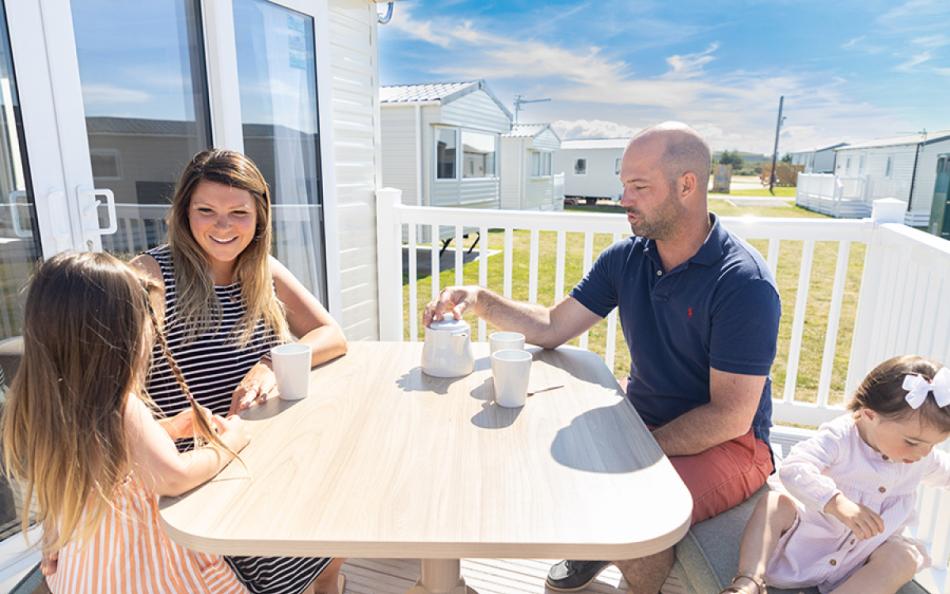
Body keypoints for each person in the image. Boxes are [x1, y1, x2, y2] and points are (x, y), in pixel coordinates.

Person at [424, 122, 781, 593]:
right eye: (623, 186)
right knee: (547, 453)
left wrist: (634, 449)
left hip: (732, 445)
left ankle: (638, 581)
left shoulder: (743, 282)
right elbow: (553, 326)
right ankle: (596, 542)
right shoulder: (626, 259)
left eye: (639, 187)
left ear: (687, 186)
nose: (624, 199)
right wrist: (482, 300)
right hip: (641, 420)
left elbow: (731, 417)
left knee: (634, 506)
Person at [131, 149, 349, 594]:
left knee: (339, 493)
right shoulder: (152, 276)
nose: (224, 226)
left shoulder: (262, 268)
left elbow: (332, 335)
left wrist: (270, 362)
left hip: (268, 446)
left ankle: (329, 583)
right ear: (184, 213)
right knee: (280, 547)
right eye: (206, 210)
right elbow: (123, 394)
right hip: (198, 463)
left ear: (260, 217)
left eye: (239, 213)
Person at [2, 251, 251, 593]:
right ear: (118, 335)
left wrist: (171, 428)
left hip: (86, 562)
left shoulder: (46, 401)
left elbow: (105, 456)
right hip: (144, 568)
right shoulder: (121, 407)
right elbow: (173, 477)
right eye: (146, 316)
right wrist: (232, 442)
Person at [721, 355, 950, 594]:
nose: (924, 453)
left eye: (933, 445)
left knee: (904, 557)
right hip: (807, 537)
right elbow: (794, 468)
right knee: (775, 503)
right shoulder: (840, 438)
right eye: (912, 442)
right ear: (869, 416)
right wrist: (836, 502)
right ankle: (749, 581)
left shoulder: (921, 458)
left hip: (860, 556)